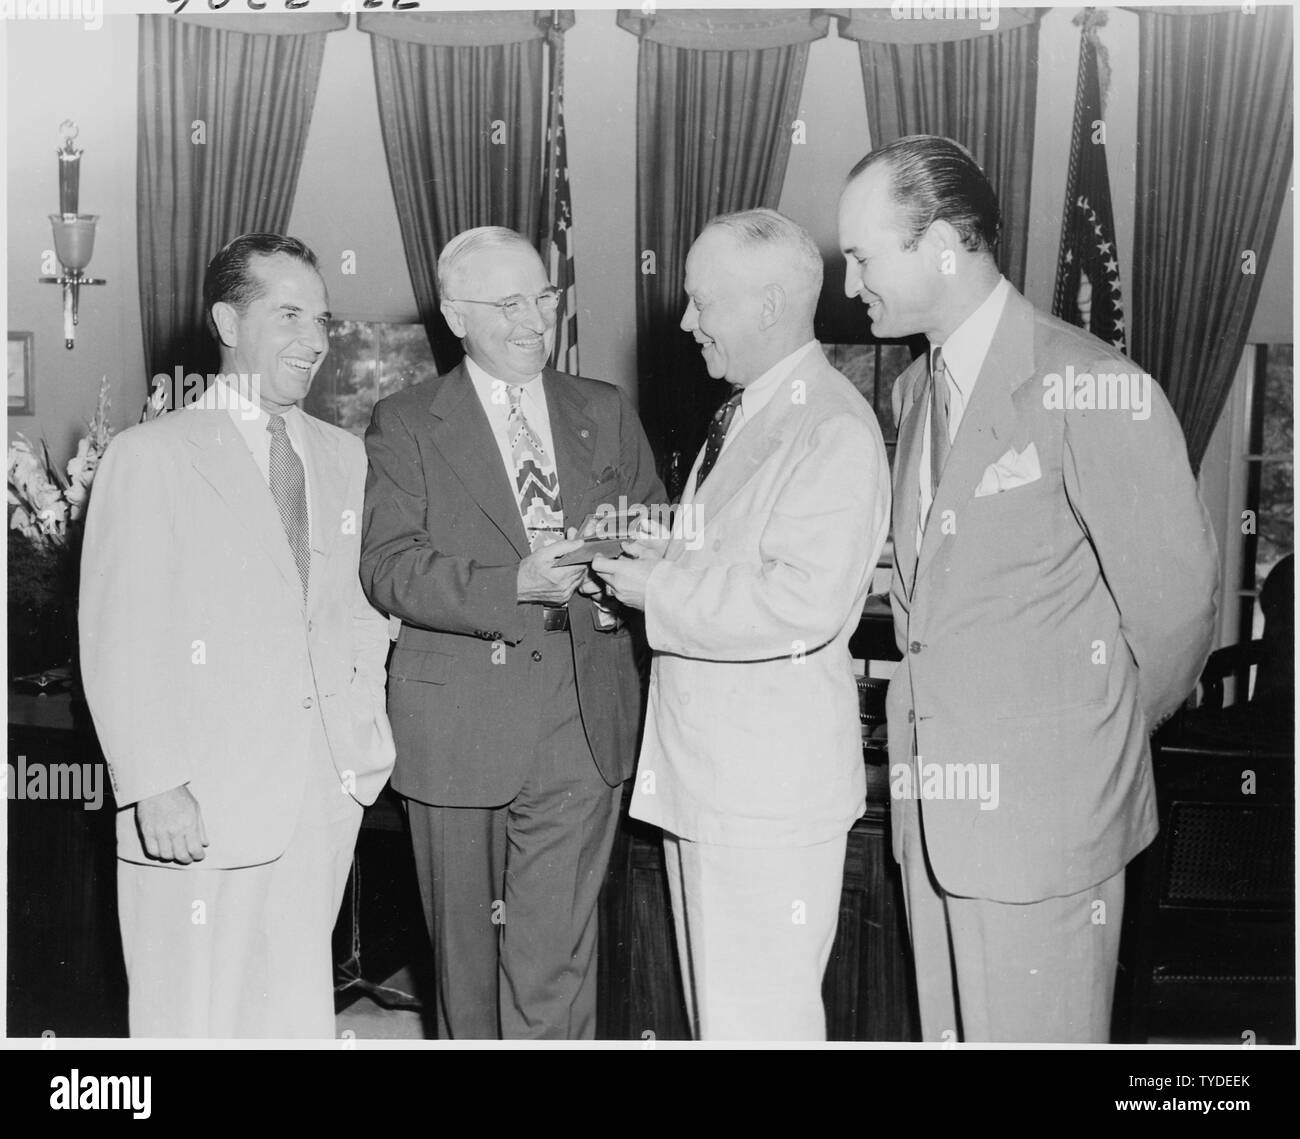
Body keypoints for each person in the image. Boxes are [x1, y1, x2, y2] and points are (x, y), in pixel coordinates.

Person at [836, 135, 1219, 1042]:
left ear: (940, 242)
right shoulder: (915, 394)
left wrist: (1083, 754)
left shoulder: (1093, 386)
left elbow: (1178, 614)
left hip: (1047, 830)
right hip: (932, 822)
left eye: (862, 256)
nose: (849, 285)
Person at [79, 233, 395, 1037]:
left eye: (322, 318)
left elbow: (359, 609)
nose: (315, 340)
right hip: (199, 805)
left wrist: (355, 742)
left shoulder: (346, 458)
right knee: (190, 1019)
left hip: (321, 800)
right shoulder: (150, 455)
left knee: (290, 1019)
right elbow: (121, 633)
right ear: (227, 320)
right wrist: (154, 780)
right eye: (288, 315)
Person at [593, 209, 891, 1040]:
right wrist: (672, 548)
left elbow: (800, 603)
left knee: (758, 1024)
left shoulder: (829, 424)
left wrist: (660, 589)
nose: (687, 324)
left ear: (766, 307)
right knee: (723, 1019)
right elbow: (748, 550)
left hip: (766, 794)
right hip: (719, 778)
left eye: (701, 302)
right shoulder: (753, 411)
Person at [360, 226, 663, 1039]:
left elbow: (655, 527)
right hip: (457, 720)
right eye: (508, 304)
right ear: (456, 315)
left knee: (555, 959)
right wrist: (514, 585)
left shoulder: (603, 407)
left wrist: (628, 555)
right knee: (466, 963)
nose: (536, 320)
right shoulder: (405, 422)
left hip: (582, 716)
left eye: (544, 297)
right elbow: (388, 566)